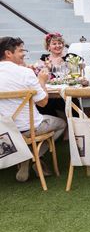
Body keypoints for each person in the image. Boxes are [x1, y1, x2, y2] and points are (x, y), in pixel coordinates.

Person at [0, 37, 66, 182]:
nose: (24, 53)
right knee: (62, 124)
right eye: (20, 50)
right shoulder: (25, 73)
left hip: (4, 129)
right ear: (8, 53)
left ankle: (25, 156)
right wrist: (41, 81)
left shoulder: (23, 71)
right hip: (29, 127)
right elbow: (43, 102)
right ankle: (32, 157)